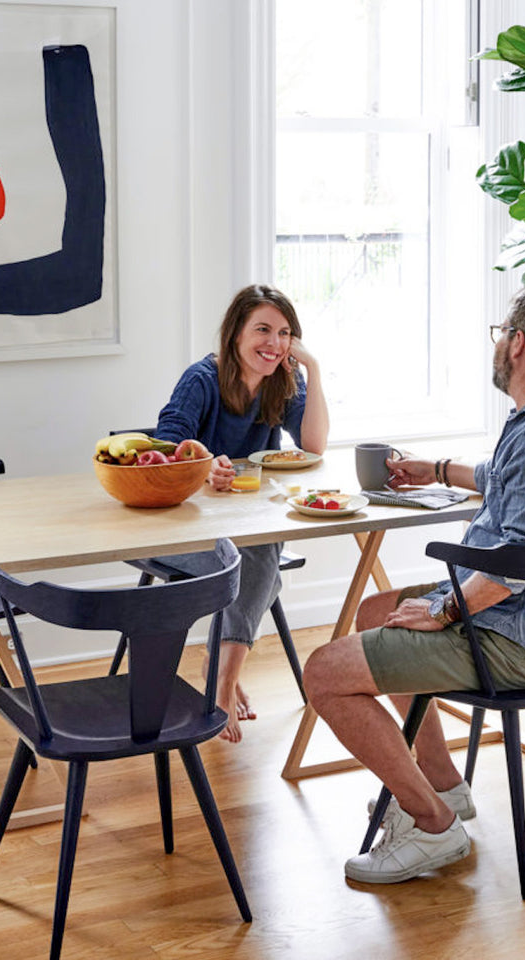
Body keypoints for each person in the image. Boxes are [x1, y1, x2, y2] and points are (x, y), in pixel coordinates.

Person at [302, 284, 525, 884]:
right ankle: (444, 783)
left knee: (322, 673)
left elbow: (511, 564)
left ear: (518, 344)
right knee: (375, 611)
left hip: (514, 640)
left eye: (501, 332)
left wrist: (446, 610)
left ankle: (432, 825)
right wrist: (440, 470)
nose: (498, 343)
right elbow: (514, 483)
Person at [154, 284, 329, 742]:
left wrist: (313, 369)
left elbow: (313, 446)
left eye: (285, 333)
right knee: (261, 567)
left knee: (259, 553)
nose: (274, 343)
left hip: (248, 527)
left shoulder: (282, 382)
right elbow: (168, 439)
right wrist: (204, 463)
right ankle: (225, 683)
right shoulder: (202, 379)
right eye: (263, 330)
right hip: (184, 531)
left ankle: (219, 668)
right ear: (235, 334)